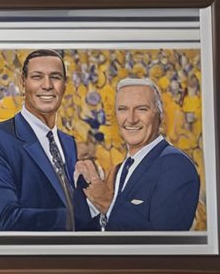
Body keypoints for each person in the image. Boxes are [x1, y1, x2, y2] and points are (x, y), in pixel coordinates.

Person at [0, 49, 96, 231]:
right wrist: (89, 211)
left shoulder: (68, 144)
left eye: (55, 77)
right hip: (18, 259)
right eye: (37, 77)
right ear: (23, 82)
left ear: (65, 85)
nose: (47, 85)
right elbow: (2, 221)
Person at [74, 77, 200, 231]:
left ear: (160, 116)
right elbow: (105, 229)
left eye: (142, 109)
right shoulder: (121, 169)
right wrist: (82, 196)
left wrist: (107, 203)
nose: (131, 119)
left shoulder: (176, 166)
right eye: (123, 109)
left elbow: (164, 241)